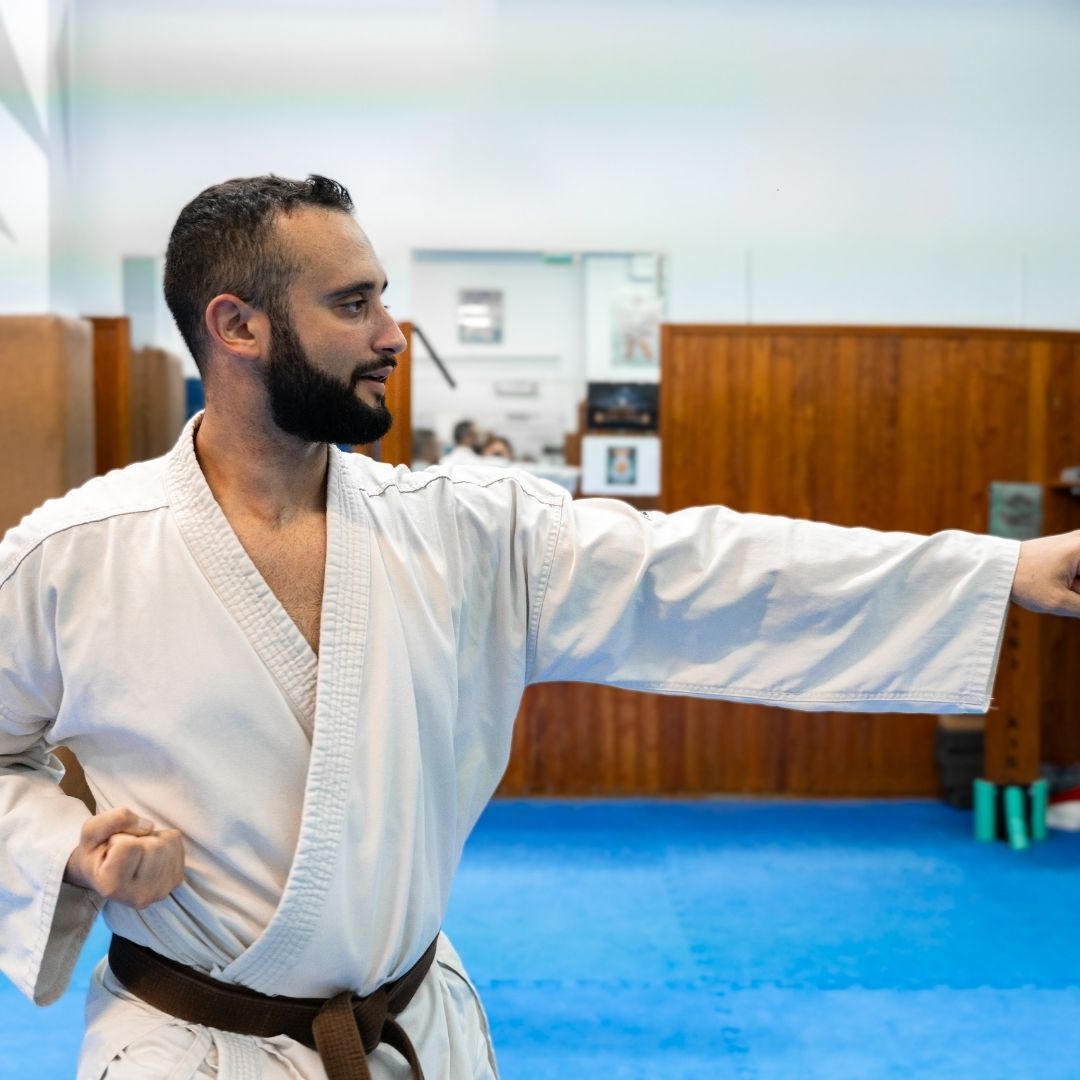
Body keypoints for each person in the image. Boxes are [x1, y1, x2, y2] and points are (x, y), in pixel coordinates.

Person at [0, 174, 1077, 1080]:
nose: (391, 335)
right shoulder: (73, 556)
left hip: (411, 1033)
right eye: (353, 304)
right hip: (191, 1048)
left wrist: (1007, 568)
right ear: (238, 326)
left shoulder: (466, 534)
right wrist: (71, 850)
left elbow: (702, 571)